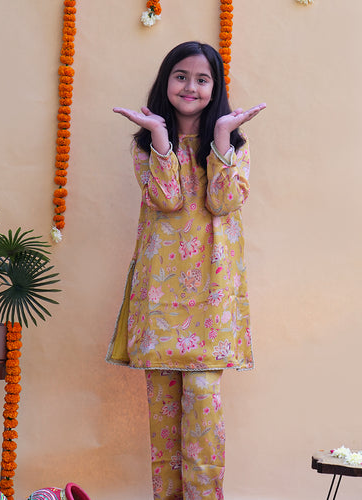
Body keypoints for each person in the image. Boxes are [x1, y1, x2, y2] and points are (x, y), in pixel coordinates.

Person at [106, 41, 265, 500]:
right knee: (164, 428)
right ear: (166, 81)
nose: (190, 86)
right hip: (159, 299)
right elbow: (168, 199)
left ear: (215, 88)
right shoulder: (145, 145)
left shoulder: (235, 145)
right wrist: (160, 138)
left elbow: (223, 201)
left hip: (212, 297)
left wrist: (221, 138)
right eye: (181, 76)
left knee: (203, 414)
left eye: (202, 79)